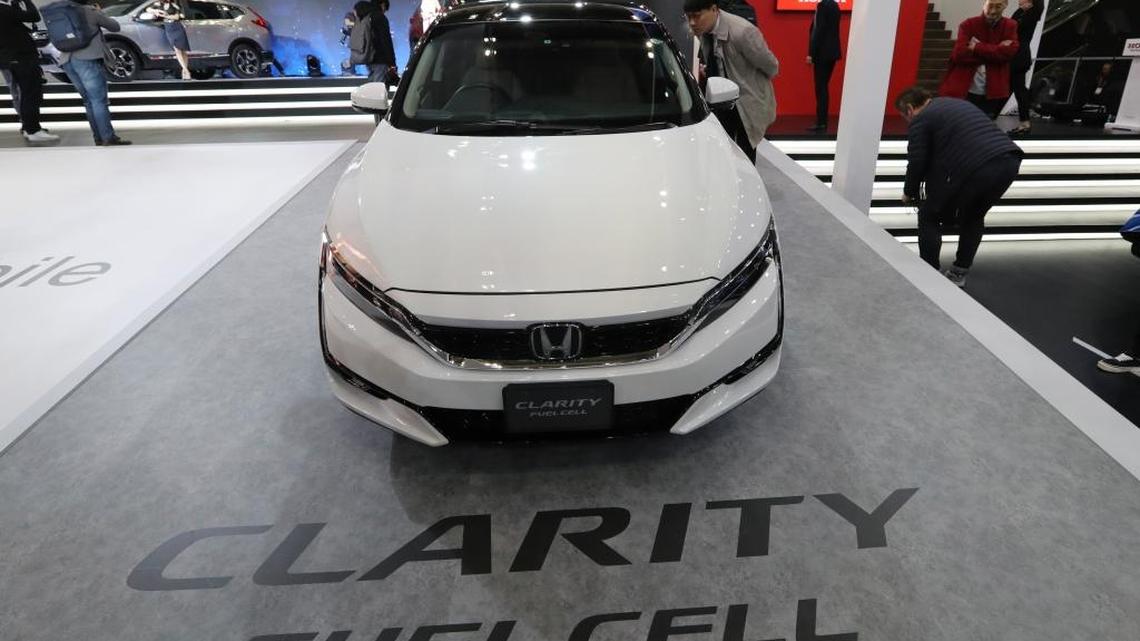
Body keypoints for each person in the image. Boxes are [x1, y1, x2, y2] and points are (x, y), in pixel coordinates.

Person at [896, 86, 1023, 287]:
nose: (908, 122)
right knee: (974, 216)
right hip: (1009, 161)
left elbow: (917, 160)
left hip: (975, 166)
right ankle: (958, 273)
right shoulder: (958, 103)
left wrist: (908, 192)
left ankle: (929, 273)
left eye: (905, 117)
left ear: (910, 109)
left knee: (929, 215)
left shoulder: (922, 118)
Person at [684, 0, 778, 163]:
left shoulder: (743, 31)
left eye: (697, 16)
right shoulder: (704, 28)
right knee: (721, 149)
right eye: (689, 17)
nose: (692, 22)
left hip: (746, 101)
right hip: (720, 97)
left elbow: (771, 66)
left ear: (714, 9)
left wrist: (747, 78)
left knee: (745, 153)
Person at [57, 0, 129, 146]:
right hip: (87, 58)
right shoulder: (89, 11)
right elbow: (115, 27)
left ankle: (98, 137)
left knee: (88, 101)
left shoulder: (61, 13)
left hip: (67, 59)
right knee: (98, 101)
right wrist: (99, 12)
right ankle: (108, 137)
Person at [939, 0, 1018, 119]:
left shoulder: (1010, 25)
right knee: (959, 125)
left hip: (993, 90)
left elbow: (1009, 53)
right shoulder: (968, 24)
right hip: (964, 88)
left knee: (983, 128)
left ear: (1005, 5)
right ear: (984, 4)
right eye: (990, 5)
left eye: (998, 6)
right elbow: (959, 55)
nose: (993, 11)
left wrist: (977, 47)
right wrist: (996, 51)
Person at [0, 0, 59, 145]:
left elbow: (18, 22)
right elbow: (33, 16)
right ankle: (33, 130)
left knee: (25, 93)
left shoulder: (6, 10)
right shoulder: (3, 10)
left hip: (12, 58)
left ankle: (30, 128)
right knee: (29, 93)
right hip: (21, 57)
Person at [1007, 0, 1042, 135]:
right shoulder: (1021, 13)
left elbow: (1014, 28)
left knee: (1018, 89)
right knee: (1016, 89)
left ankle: (1025, 122)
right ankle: (1024, 122)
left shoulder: (1031, 15)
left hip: (1019, 56)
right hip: (1016, 54)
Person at [806, 0, 840, 133]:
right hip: (832, 52)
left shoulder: (822, 6)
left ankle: (821, 122)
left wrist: (811, 53)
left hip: (822, 53)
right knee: (823, 86)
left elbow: (818, 31)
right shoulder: (835, 5)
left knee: (821, 88)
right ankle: (822, 122)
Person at [150, 0, 191, 80]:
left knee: (183, 50)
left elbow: (177, 17)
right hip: (169, 28)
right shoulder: (159, 4)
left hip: (177, 27)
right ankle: (186, 70)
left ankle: (184, 70)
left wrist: (165, 16)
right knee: (177, 50)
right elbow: (148, 9)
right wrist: (156, 11)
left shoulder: (175, 4)